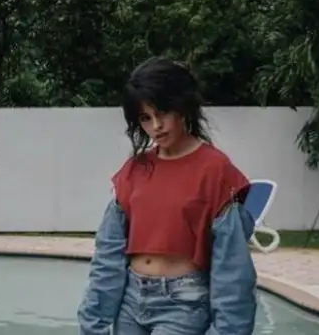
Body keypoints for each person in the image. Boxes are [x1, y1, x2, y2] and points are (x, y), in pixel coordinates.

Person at [77, 57, 257, 335]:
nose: (156, 126)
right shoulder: (134, 170)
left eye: (162, 113)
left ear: (183, 107)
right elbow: (107, 257)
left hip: (183, 305)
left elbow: (233, 269)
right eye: (145, 118)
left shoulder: (215, 170)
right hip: (130, 302)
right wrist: (93, 323)